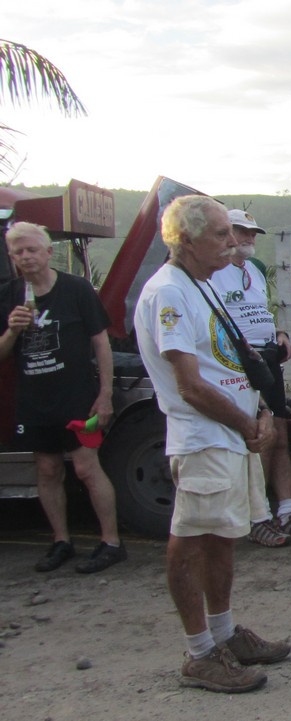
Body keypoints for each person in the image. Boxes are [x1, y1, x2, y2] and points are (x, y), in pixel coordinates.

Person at [135, 196, 289, 693]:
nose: (232, 243)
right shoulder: (169, 292)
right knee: (192, 540)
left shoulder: (200, 285)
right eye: (221, 234)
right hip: (203, 437)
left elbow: (228, 363)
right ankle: (200, 653)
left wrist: (259, 412)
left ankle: (224, 635)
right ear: (186, 240)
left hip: (229, 434)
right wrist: (246, 425)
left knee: (222, 535)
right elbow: (190, 385)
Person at [0, 222, 124, 573]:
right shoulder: (9, 295)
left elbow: (101, 342)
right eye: (18, 252)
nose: (26, 257)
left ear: (48, 252)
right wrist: (13, 330)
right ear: (11, 257)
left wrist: (105, 394)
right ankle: (61, 541)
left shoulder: (75, 288)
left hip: (77, 397)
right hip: (35, 400)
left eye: (32, 250)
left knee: (86, 468)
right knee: (47, 469)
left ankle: (111, 542)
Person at [208, 209, 291, 547]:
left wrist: (279, 333)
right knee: (256, 435)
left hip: (268, 357)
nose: (249, 238)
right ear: (225, 233)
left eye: (253, 232)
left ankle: (288, 510)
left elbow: (258, 310)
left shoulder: (255, 269)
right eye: (241, 230)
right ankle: (256, 515)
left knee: (279, 433)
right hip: (237, 361)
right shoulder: (214, 272)